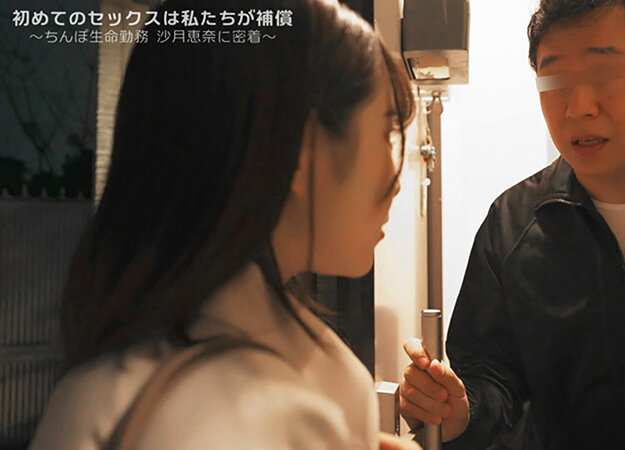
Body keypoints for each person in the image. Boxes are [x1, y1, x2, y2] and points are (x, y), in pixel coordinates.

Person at [30, 0, 420, 448]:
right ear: (301, 149)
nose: (396, 181)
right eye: (388, 133)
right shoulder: (259, 414)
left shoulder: (97, 379)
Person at [399, 0, 625, 448]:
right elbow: (492, 383)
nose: (578, 107)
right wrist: (459, 412)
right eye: (556, 79)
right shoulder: (512, 223)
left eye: (606, 74)